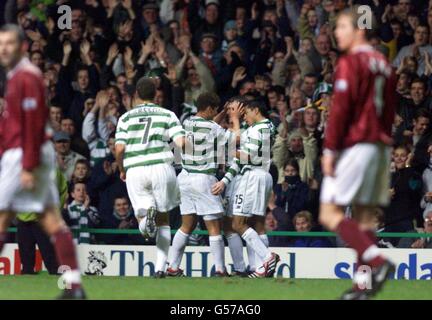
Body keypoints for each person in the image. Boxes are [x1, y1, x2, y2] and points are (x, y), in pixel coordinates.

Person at [0, 24, 85, 299]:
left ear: (23, 46)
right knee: (51, 220)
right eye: (0, 43)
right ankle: (74, 285)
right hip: (30, 152)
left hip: (25, 153)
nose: (3, 48)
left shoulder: (25, 76)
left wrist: (27, 165)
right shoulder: (18, 76)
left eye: (10, 43)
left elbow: (33, 123)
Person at [319, 8, 396, 300]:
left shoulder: (351, 62)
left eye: (341, 27)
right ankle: (362, 288)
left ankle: (377, 260)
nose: (336, 33)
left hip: (356, 143)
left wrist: (329, 149)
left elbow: (340, 110)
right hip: (379, 146)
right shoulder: (385, 65)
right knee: (364, 220)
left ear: (358, 30)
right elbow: (389, 112)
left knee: (329, 213)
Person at [115, 77, 186, 278]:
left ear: (136, 94)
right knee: (164, 220)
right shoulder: (168, 114)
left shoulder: (126, 118)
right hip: (162, 168)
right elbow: (181, 143)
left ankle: (146, 222)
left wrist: (122, 169)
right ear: (156, 94)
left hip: (136, 169)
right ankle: (159, 268)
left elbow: (119, 148)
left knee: (142, 217)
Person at [167, 92, 233, 277]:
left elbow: (210, 122)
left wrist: (222, 113)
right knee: (214, 227)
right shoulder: (214, 128)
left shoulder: (188, 121)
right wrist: (233, 119)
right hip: (203, 179)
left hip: (185, 178)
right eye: (216, 109)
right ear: (210, 108)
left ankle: (172, 267)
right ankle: (220, 269)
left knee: (186, 225)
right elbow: (233, 139)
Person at [212, 100, 280, 278]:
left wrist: (220, 149)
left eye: (246, 113)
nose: (245, 117)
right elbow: (240, 154)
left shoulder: (261, 128)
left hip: (253, 176)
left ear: (255, 110)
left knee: (237, 224)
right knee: (256, 224)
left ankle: (267, 258)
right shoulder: (258, 127)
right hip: (254, 175)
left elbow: (246, 155)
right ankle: (259, 268)